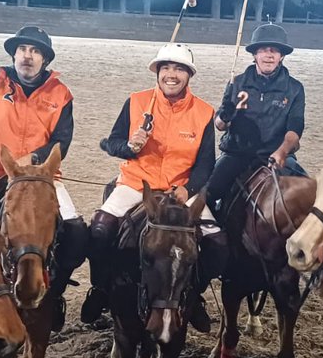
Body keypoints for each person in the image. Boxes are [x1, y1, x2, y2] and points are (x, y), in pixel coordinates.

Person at [0, 6, 87, 318]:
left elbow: (61, 142)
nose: (27, 56)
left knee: (77, 234)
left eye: (35, 51)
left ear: (45, 59)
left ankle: (55, 292)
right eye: (22, 49)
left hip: (42, 176)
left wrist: (33, 158)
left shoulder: (62, 94)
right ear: (14, 55)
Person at [81, 43, 223, 330]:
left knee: (218, 243)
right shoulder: (136, 101)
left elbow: (207, 163)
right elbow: (110, 143)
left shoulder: (205, 112)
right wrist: (130, 147)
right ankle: (100, 288)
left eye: (179, 69)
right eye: (166, 68)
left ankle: (195, 296)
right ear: (157, 72)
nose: (171, 75)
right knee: (99, 230)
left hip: (179, 191)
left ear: (189, 75)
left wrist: (189, 188)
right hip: (136, 184)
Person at [204, 22, 306, 208]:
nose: (269, 55)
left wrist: (282, 152)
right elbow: (219, 125)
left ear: (281, 56)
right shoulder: (237, 82)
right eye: (263, 50)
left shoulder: (294, 88)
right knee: (206, 194)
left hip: (277, 154)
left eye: (274, 51)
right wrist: (225, 116)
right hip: (237, 154)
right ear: (254, 54)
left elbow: (294, 129)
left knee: (309, 196)